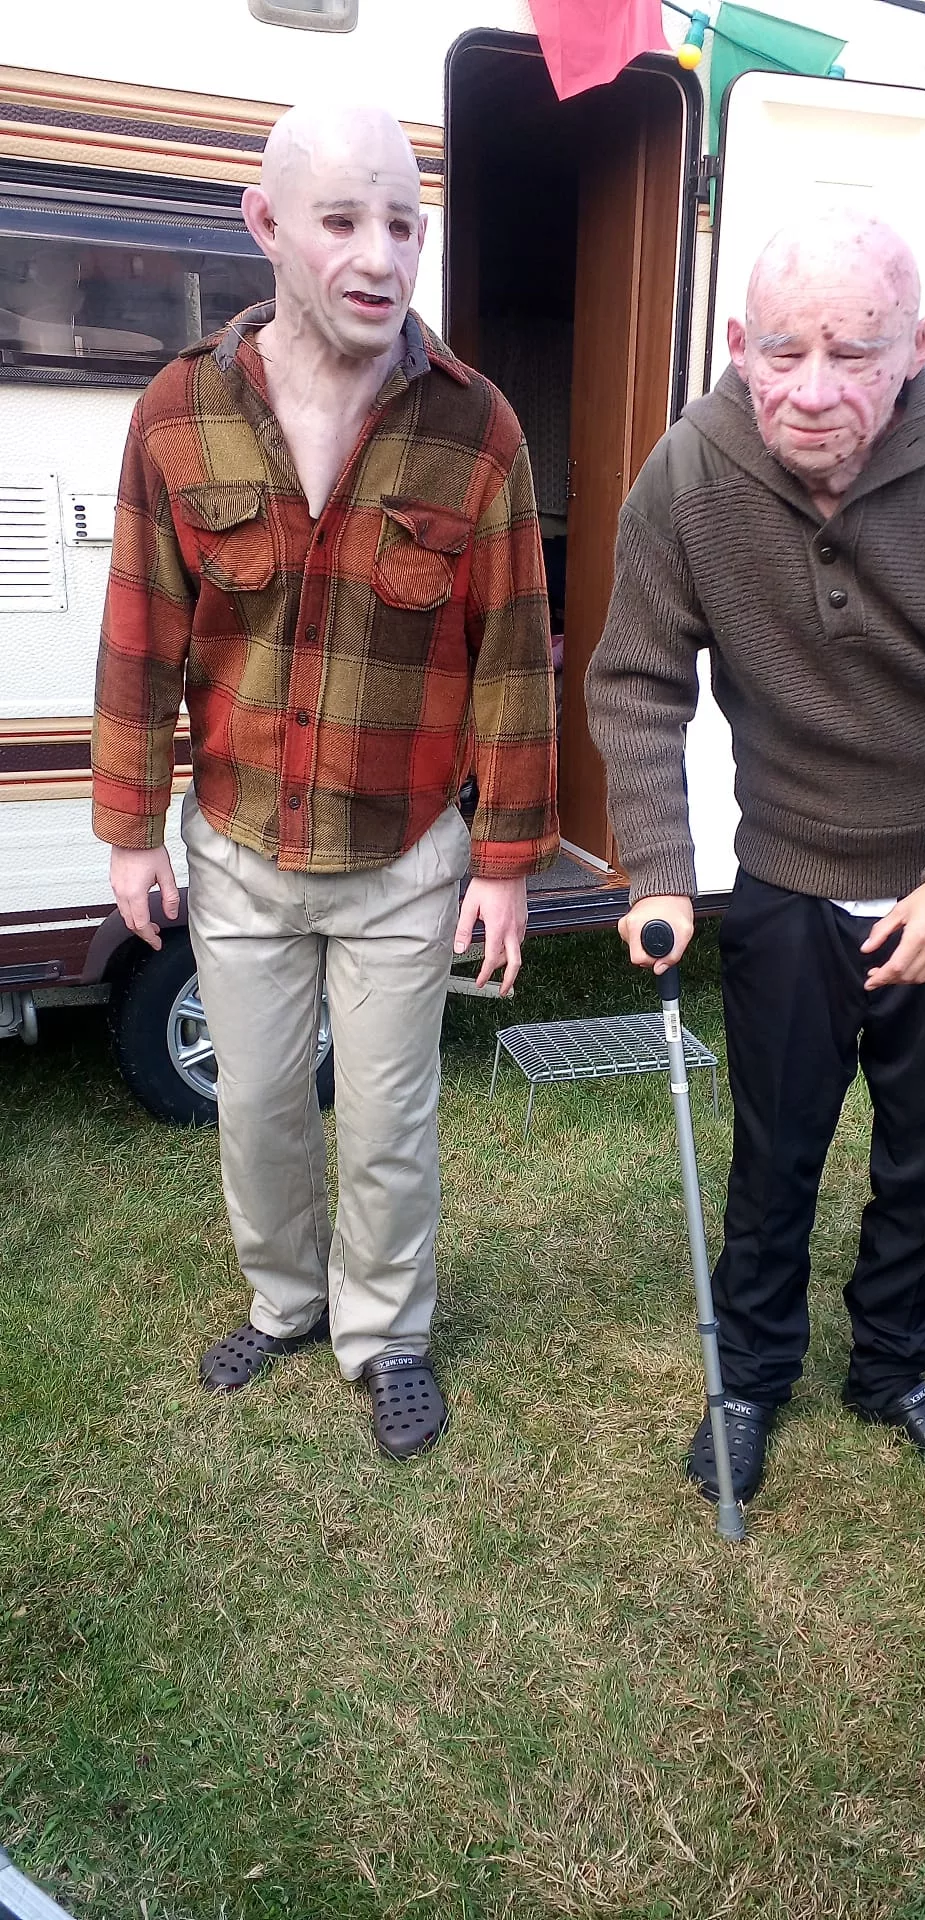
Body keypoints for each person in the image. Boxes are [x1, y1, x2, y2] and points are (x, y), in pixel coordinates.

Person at [586, 211, 925, 1506]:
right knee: (776, 1152)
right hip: (788, 887)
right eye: (784, 352)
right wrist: (658, 865)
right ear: (738, 343)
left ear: (918, 345)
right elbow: (636, 677)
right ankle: (751, 1377)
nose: (813, 390)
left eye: (855, 354)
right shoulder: (689, 478)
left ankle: (893, 1370)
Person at [92, 102, 558, 1458]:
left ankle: (387, 1333)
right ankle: (286, 1300)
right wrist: (131, 829)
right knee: (256, 1109)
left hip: (404, 855)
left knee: (390, 1123)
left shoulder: (476, 428)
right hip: (238, 843)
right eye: (344, 220)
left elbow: (514, 659)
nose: (380, 256)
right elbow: (138, 633)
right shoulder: (179, 412)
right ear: (268, 225)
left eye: (404, 225)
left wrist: (507, 864)